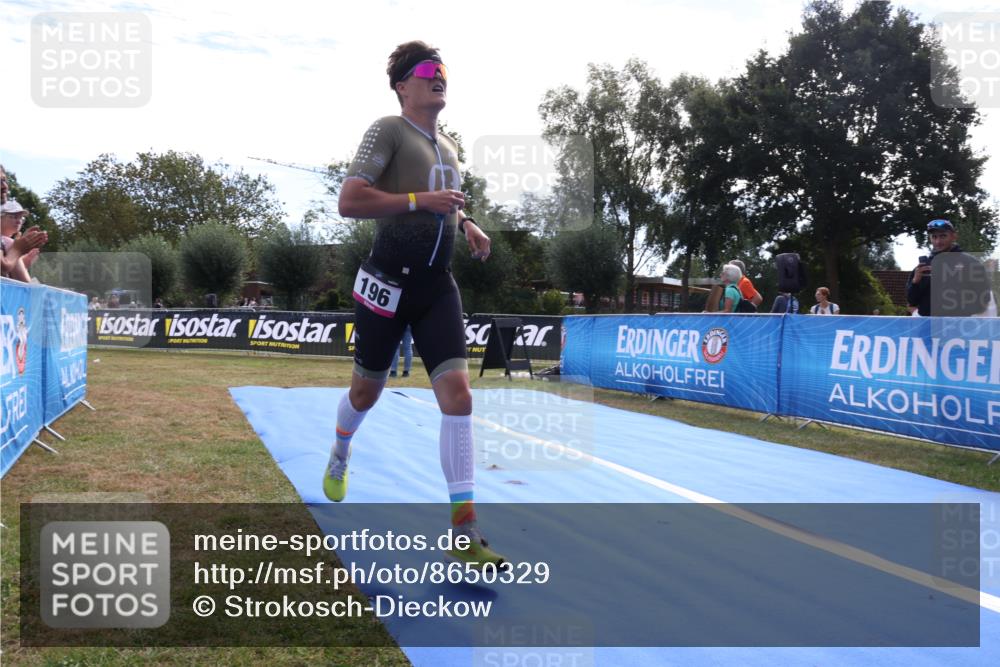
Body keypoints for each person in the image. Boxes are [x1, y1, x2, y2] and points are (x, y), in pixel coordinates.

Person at [325, 41, 504, 569]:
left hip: (436, 286)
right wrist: (416, 202)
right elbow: (349, 201)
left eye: (443, 71)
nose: (439, 76)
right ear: (403, 85)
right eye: (428, 71)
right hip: (387, 281)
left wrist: (467, 224)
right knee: (366, 392)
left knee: (459, 397)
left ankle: (465, 529)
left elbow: (443, 205)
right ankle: (340, 451)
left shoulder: (449, 146)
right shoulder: (388, 129)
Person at [906, 219, 991, 317]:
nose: (938, 241)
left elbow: (984, 299)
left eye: (943, 236)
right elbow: (911, 301)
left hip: (959, 327)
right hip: (927, 326)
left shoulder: (971, 263)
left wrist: (958, 315)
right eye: (934, 237)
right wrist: (915, 282)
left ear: (954, 236)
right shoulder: (922, 267)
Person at [1, 199, 47, 282]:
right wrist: (18, 250)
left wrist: (24, 261)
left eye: (21, 218)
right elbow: (24, 283)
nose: (19, 221)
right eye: (13, 216)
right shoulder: (8, 242)